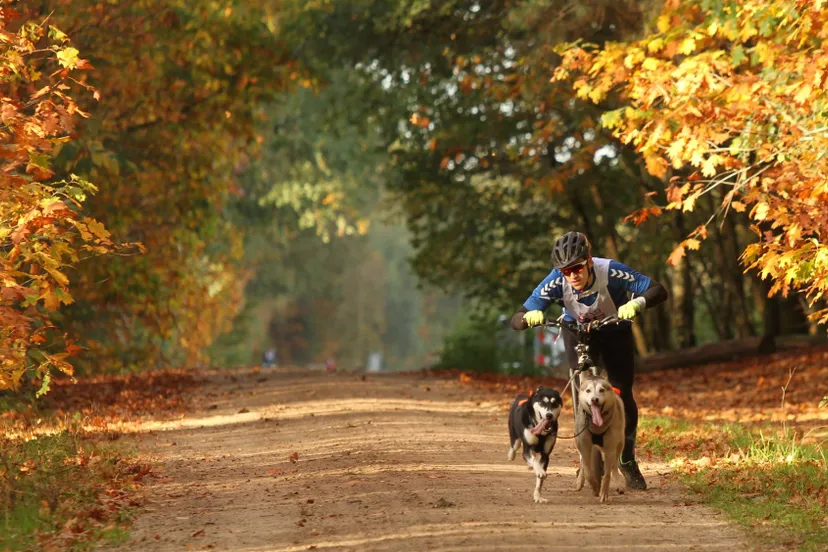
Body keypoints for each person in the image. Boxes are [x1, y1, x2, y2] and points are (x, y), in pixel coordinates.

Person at [510, 231, 668, 490]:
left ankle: (626, 458)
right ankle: (588, 459)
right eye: (565, 271)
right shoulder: (555, 281)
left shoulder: (612, 271)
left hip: (614, 331)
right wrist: (529, 317)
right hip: (577, 333)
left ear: (589, 261)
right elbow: (517, 317)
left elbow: (658, 290)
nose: (572, 275)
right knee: (581, 394)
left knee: (621, 392)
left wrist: (638, 302)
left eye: (577, 267)